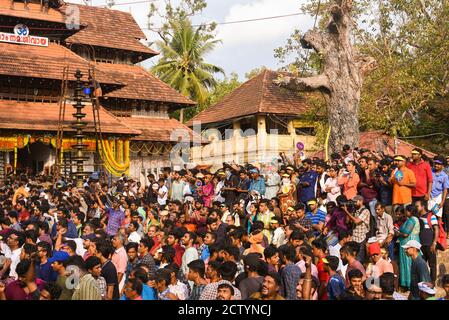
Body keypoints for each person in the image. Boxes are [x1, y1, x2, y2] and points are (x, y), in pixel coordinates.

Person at [397, 204, 420, 290]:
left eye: (406, 210)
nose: (405, 212)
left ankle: (409, 284)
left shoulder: (412, 220)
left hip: (409, 244)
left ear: (410, 211)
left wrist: (398, 233)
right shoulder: (414, 219)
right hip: (411, 243)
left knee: (408, 264)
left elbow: (406, 233)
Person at [416, 199, 438, 282]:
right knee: (422, 265)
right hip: (421, 245)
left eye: (417, 206)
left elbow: (436, 230)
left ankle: (432, 283)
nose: (416, 208)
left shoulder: (431, 216)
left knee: (432, 265)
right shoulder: (418, 217)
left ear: (423, 206)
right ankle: (423, 282)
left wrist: (434, 243)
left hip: (430, 244)